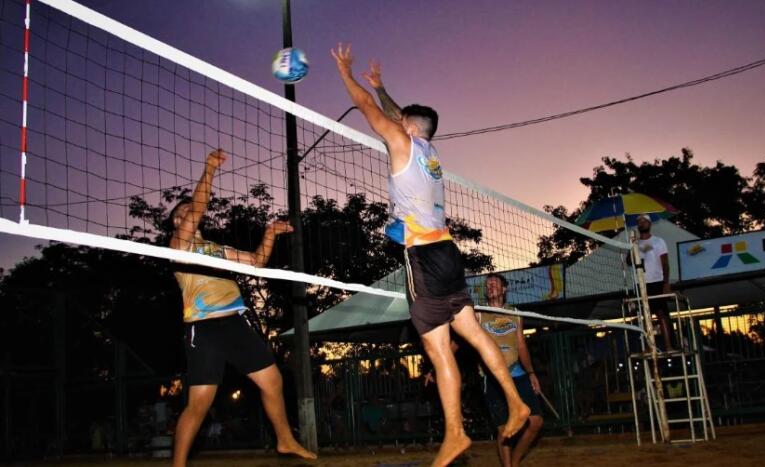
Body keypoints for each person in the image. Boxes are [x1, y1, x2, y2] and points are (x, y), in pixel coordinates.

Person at [331, 44, 529, 467]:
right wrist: (382, 86)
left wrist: (346, 73)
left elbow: (367, 108)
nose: (396, 122)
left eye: (400, 122)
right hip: (449, 253)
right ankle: (516, 403)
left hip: (423, 258)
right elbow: (399, 112)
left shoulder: (401, 143)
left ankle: (455, 434)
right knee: (473, 334)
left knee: (439, 351)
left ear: (406, 128)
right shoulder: (430, 153)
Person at [169, 149, 315, 466]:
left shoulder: (216, 249)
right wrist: (210, 168)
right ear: (178, 222)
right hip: (203, 329)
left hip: (234, 324)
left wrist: (270, 233)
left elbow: (257, 262)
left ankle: (284, 440)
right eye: (182, 211)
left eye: (188, 209)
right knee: (199, 404)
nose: (189, 211)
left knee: (273, 381)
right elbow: (198, 207)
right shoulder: (178, 245)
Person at [479, 273, 543, 467]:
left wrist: (531, 372)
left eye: (494, 283)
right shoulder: (478, 313)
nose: (490, 286)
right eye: (487, 284)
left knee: (536, 421)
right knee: (504, 429)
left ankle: (514, 462)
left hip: (517, 373)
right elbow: (460, 338)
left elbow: (521, 345)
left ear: (504, 289)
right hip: (493, 378)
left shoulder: (515, 313)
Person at [634, 214, 674, 351]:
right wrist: (632, 247)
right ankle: (649, 346)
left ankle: (669, 346)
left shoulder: (658, 241)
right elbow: (629, 261)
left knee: (661, 314)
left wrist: (666, 283)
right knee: (646, 316)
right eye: (639, 222)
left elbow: (665, 263)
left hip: (657, 281)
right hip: (642, 284)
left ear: (649, 224)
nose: (642, 223)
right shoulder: (636, 244)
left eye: (644, 221)